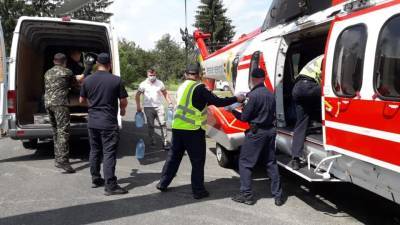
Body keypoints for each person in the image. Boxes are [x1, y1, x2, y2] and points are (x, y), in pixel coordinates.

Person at [156, 64, 245, 199]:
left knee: (173, 157)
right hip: (193, 130)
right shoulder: (200, 88)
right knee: (197, 161)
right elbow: (217, 102)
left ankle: (163, 183)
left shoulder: (182, 87)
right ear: (198, 75)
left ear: (186, 74)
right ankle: (198, 191)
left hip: (178, 128)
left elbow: (193, 103)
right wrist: (236, 99)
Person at [230, 68, 284, 206]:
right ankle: (278, 195)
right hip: (270, 131)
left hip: (256, 133)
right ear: (264, 78)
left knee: (245, 163)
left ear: (252, 79)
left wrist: (232, 111)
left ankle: (246, 195)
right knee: (271, 163)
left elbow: (244, 117)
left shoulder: (252, 96)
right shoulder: (271, 94)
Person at [79, 53, 129, 195]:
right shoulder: (116, 80)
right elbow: (123, 101)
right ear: (110, 64)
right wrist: (123, 109)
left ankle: (96, 178)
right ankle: (111, 186)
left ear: (97, 64)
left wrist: (93, 105)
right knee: (109, 153)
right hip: (108, 123)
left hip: (93, 122)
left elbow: (81, 100)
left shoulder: (87, 80)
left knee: (95, 150)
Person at [44, 53, 76, 173]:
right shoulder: (67, 72)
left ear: (54, 61)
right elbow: (74, 86)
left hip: (48, 103)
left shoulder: (47, 72)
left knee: (55, 131)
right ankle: (63, 161)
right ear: (65, 61)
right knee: (63, 131)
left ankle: (57, 159)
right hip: (60, 104)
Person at [291, 55, 324, 170]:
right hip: (308, 86)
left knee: (300, 124)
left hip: (297, 88)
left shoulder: (315, 59)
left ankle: (295, 159)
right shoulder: (327, 56)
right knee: (331, 95)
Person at [136, 69, 173, 149]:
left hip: (159, 107)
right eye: (150, 75)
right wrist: (138, 106)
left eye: (153, 75)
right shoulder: (143, 84)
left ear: (156, 75)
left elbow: (165, 93)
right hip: (148, 108)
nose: (152, 77)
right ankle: (152, 141)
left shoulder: (160, 83)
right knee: (151, 125)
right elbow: (137, 95)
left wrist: (169, 102)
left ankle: (165, 142)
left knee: (163, 124)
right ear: (147, 75)